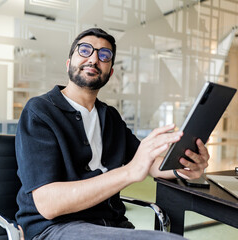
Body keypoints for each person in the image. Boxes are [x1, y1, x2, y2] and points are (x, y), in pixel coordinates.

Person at [15, 28, 209, 240]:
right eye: (85, 50)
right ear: (69, 63)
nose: (94, 59)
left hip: (111, 225)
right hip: (54, 228)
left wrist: (185, 165)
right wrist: (129, 171)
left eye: (104, 55)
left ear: (110, 72)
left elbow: (152, 165)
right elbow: (48, 204)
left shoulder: (110, 116)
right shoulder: (40, 111)